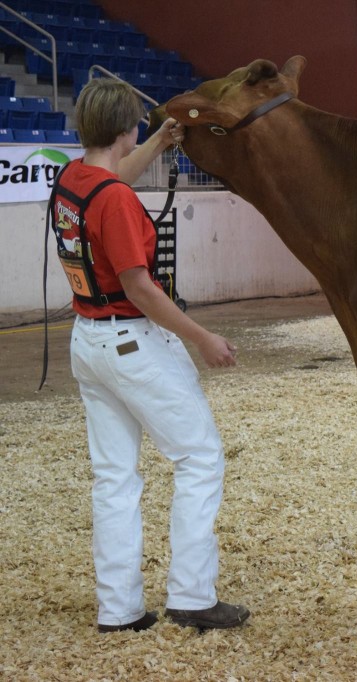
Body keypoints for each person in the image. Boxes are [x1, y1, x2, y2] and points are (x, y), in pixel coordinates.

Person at [50, 78, 249, 633]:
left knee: (113, 476)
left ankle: (119, 610)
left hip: (88, 340)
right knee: (199, 456)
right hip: (130, 339)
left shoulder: (73, 178)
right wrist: (201, 337)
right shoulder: (111, 198)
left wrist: (160, 144)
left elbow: (111, 180)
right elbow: (140, 286)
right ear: (124, 128)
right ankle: (191, 596)